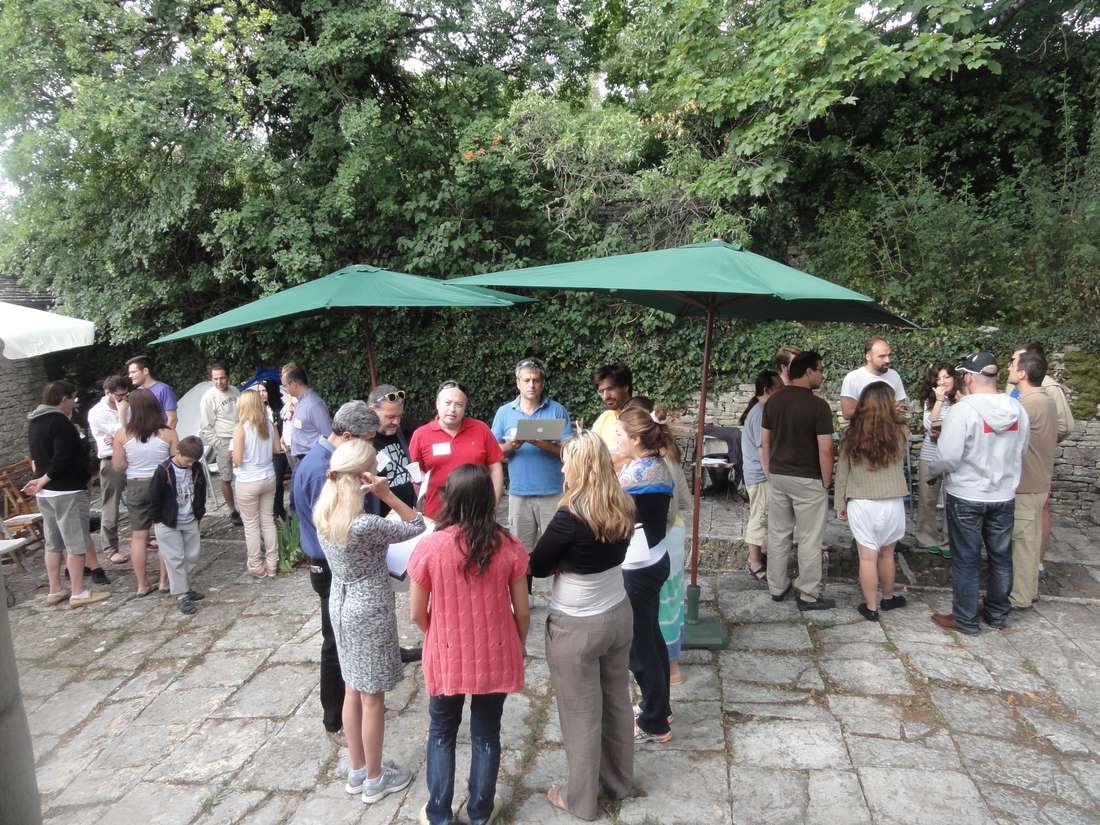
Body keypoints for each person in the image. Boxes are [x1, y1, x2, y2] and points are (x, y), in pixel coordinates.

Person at [409, 464, 529, 825]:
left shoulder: (430, 547)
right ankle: (480, 812)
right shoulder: (508, 545)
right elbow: (522, 611)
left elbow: (416, 613)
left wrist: (439, 634)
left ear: (451, 499)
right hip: (496, 650)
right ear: (489, 500)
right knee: (487, 732)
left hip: (447, 653)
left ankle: (439, 814)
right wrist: (516, 643)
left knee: (441, 731)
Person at [530, 431, 635, 820]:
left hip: (577, 626)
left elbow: (538, 566)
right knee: (617, 702)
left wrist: (562, 562)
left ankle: (580, 801)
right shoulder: (625, 503)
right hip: (618, 613)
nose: (562, 469)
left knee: (581, 717)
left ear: (582, 467)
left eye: (566, 463)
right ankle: (619, 783)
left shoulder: (568, 518)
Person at [314, 439, 425, 804]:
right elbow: (417, 524)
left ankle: (358, 768)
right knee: (373, 698)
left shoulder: (325, 512)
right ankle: (376, 779)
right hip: (368, 607)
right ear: (364, 476)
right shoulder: (365, 525)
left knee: (352, 688)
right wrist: (387, 494)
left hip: (340, 601)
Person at [293, 400, 381, 732]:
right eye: (367, 440)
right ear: (346, 436)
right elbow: (339, 529)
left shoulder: (324, 460)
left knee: (342, 639)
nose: (370, 447)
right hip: (331, 567)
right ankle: (335, 714)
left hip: (333, 564)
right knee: (335, 642)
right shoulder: (323, 469)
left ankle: (351, 706)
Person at [929, 352, 1029, 635]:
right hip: (1003, 495)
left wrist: (933, 472)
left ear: (970, 378)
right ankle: (997, 614)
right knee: (1001, 557)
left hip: (967, 494)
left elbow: (949, 457)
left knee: (966, 559)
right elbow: (1022, 450)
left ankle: (966, 619)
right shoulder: (1017, 409)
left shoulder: (963, 410)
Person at [23, 381, 111, 607]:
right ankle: (78, 592)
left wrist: (41, 480)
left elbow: (37, 457)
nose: (74, 402)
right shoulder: (60, 421)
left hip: (46, 494)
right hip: (66, 491)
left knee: (53, 543)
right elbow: (62, 458)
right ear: (63, 399)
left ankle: (55, 590)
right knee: (75, 542)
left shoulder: (35, 421)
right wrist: (45, 479)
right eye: (73, 398)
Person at [615, 406, 673, 744]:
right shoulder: (654, 465)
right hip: (654, 558)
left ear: (636, 439)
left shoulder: (637, 476)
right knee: (651, 637)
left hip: (638, 568)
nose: (616, 441)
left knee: (639, 648)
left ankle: (654, 723)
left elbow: (608, 510)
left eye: (620, 435)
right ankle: (660, 708)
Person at [622, 396, 689, 685]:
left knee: (659, 608)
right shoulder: (663, 456)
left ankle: (668, 668)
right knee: (667, 603)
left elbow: (670, 508)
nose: (617, 439)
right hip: (666, 537)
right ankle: (667, 668)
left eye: (621, 433)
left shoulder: (650, 467)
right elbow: (682, 500)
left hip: (658, 540)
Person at [761, 350, 835, 610]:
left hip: (778, 476)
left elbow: (765, 442)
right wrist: (827, 481)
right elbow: (826, 449)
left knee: (778, 534)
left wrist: (770, 472)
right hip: (808, 479)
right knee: (810, 538)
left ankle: (776, 587)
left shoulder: (773, 401)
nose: (822, 375)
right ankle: (808, 594)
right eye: (820, 370)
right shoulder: (819, 407)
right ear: (808, 372)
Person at [491, 358, 571, 589]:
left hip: (553, 493)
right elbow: (493, 453)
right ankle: (525, 599)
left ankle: (560, 597)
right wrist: (513, 445)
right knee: (520, 551)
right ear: (518, 383)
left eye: (536, 380)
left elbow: (569, 453)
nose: (531, 385)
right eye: (526, 380)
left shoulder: (557, 410)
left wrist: (541, 443)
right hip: (519, 494)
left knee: (557, 549)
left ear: (542, 382)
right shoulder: (504, 412)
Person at [834, 384, 910, 622]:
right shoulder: (901, 432)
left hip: (861, 502)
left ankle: (871, 607)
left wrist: (839, 503)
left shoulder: (850, 435)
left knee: (867, 557)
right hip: (892, 502)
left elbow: (842, 472)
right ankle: (888, 597)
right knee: (887, 555)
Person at [1007, 342, 1074, 580]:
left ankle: (1035, 563)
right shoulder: (1013, 385)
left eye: (1014, 360)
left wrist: (1039, 441)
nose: (1010, 364)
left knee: (1038, 510)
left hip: (1034, 464)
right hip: (1015, 468)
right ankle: (1018, 566)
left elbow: (1065, 425)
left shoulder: (1048, 387)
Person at [113, 388, 179, 595]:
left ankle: (142, 584)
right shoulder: (168, 433)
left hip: (136, 484)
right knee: (164, 534)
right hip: (161, 484)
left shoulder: (122, 434)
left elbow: (118, 465)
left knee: (139, 537)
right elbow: (176, 461)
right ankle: (164, 581)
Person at [408, 381, 504, 520]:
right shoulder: (421, 435)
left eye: (459, 404)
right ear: (437, 404)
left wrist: (493, 504)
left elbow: (495, 467)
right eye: (447, 403)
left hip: (476, 514)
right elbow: (414, 471)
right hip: (436, 514)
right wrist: (423, 488)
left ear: (465, 407)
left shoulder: (480, 429)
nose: (452, 409)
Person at [1008, 351, 1058, 610]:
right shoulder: (1046, 400)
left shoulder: (1026, 405)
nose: (1008, 367)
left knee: (1023, 545)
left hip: (1025, 484)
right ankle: (1030, 591)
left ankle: (1020, 597)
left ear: (1022, 373)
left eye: (1012, 364)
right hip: (1039, 482)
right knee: (1030, 541)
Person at [148, 435, 208, 614]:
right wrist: (157, 519)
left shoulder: (197, 468)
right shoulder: (163, 470)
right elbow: (154, 497)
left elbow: (201, 490)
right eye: (188, 460)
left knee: (192, 555)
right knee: (175, 558)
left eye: (194, 461)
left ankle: (185, 587)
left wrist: (199, 511)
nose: (190, 464)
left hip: (190, 519)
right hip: (168, 522)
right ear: (178, 452)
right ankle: (181, 595)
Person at [740, 370, 783, 583]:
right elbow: (762, 448)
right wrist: (770, 477)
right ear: (767, 390)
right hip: (760, 476)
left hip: (759, 474)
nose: (782, 391)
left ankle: (757, 557)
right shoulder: (760, 413)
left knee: (761, 516)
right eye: (779, 388)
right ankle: (754, 563)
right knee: (759, 518)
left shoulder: (762, 410)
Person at [234, 389, 282, 578]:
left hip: (248, 480)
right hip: (268, 477)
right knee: (268, 521)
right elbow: (277, 449)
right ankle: (272, 563)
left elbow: (237, 460)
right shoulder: (269, 425)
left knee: (251, 525)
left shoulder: (241, 428)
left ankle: (256, 565)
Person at [915, 363, 960, 556]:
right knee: (928, 498)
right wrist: (939, 400)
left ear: (954, 379)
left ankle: (951, 540)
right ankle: (927, 537)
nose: (942, 381)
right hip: (930, 454)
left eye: (946, 377)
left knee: (954, 499)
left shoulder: (963, 400)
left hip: (954, 456)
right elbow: (930, 423)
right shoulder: (930, 401)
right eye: (938, 378)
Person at [88, 375, 130, 565]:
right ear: (108, 393)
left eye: (125, 394)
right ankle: (110, 548)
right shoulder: (97, 412)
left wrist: (119, 438)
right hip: (111, 460)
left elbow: (133, 431)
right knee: (111, 504)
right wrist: (122, 415)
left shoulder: (127, 404)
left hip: (132, 455)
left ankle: (144, 537)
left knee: (138, 500)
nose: (123, 398)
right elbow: (122, 432)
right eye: (119, 395)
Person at [199, 362, 242, 526]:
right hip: (223, 440)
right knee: (226, 477)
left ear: (228, 377)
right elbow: (206, 426)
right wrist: (217, 444)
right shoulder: (208, 397)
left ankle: (246, 507)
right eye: (215, 379)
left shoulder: (235, 391)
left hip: (240, 436)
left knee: (244, 473)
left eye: (222, 378)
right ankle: (233, 511)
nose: (219, 382)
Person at [367, 385, 417, 514]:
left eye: (400, 416)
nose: (397, 422)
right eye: (390, 417)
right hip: (381, 520)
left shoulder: (406, 432)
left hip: (410, 515)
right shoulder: (362, 443)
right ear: (372, 411)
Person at [839, 338, 908, 420]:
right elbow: (847, 413)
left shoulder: (894, 375)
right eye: (882, 356)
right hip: (864, 428)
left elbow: (901, 408)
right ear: (868, 357)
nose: (888, 360)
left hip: (890, 427)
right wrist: (884, 411)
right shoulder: (853, 378)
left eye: (889, 355)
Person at [282, 364, 332, 465]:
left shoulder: (313, 404)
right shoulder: (301, 401)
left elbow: (328, 434)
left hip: (313, 459)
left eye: (285, 386)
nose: (285, 389)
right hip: (304, 459)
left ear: (294, 384)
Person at [125, 355, 178, 428]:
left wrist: (164, 435)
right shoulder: (137, 392)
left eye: (133, 372)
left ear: (145, 371)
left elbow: (172, 420)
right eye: (129, 373)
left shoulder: (164, 390)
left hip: (162, 433)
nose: (130, 376)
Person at [590, 364, 633, 453]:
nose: (605, 396)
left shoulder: (642, 417)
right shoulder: (605, 417)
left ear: (625, 387)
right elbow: (590, 449)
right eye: (601, 391)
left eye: (610, 389)